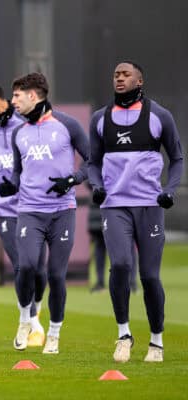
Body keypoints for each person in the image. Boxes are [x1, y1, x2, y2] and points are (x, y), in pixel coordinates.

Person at [87, 61, 184, 363]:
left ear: (139, 81)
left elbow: (177, 158)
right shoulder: (100, 119)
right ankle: (124, 335)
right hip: (115, 206)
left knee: (150, 277)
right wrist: (96, 185)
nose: (119, 78)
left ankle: (156, 341)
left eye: (126, 74)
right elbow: (92, 162)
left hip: (150, 206)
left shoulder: (160, 116)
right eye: (116, 74)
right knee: (120, 265)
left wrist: (170, 190)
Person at [0, 72, 90, 354]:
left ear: (33, 96)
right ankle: (25, 319)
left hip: (63, 211)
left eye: (16, 96)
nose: (11, 101)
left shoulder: (68, 125)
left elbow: (92, 161)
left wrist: (73, 180)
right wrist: (10, 185)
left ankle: (54, 334)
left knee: (56, 275)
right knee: (25, 266)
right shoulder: (18, 132)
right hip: (29, 211)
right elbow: (17, 171)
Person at [0, 81, 48, 347]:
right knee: (20, 266)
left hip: (32, 206)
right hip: (4, 210)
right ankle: (29, 322)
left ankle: (35, 308)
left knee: (39, 271)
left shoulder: (26, 125)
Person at [87, 198, 138, 293]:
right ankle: (101, 282)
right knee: (100, 243)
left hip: (122, 206)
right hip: (101, 209)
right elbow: (90, 184)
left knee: (128, 244)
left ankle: (131, 282)